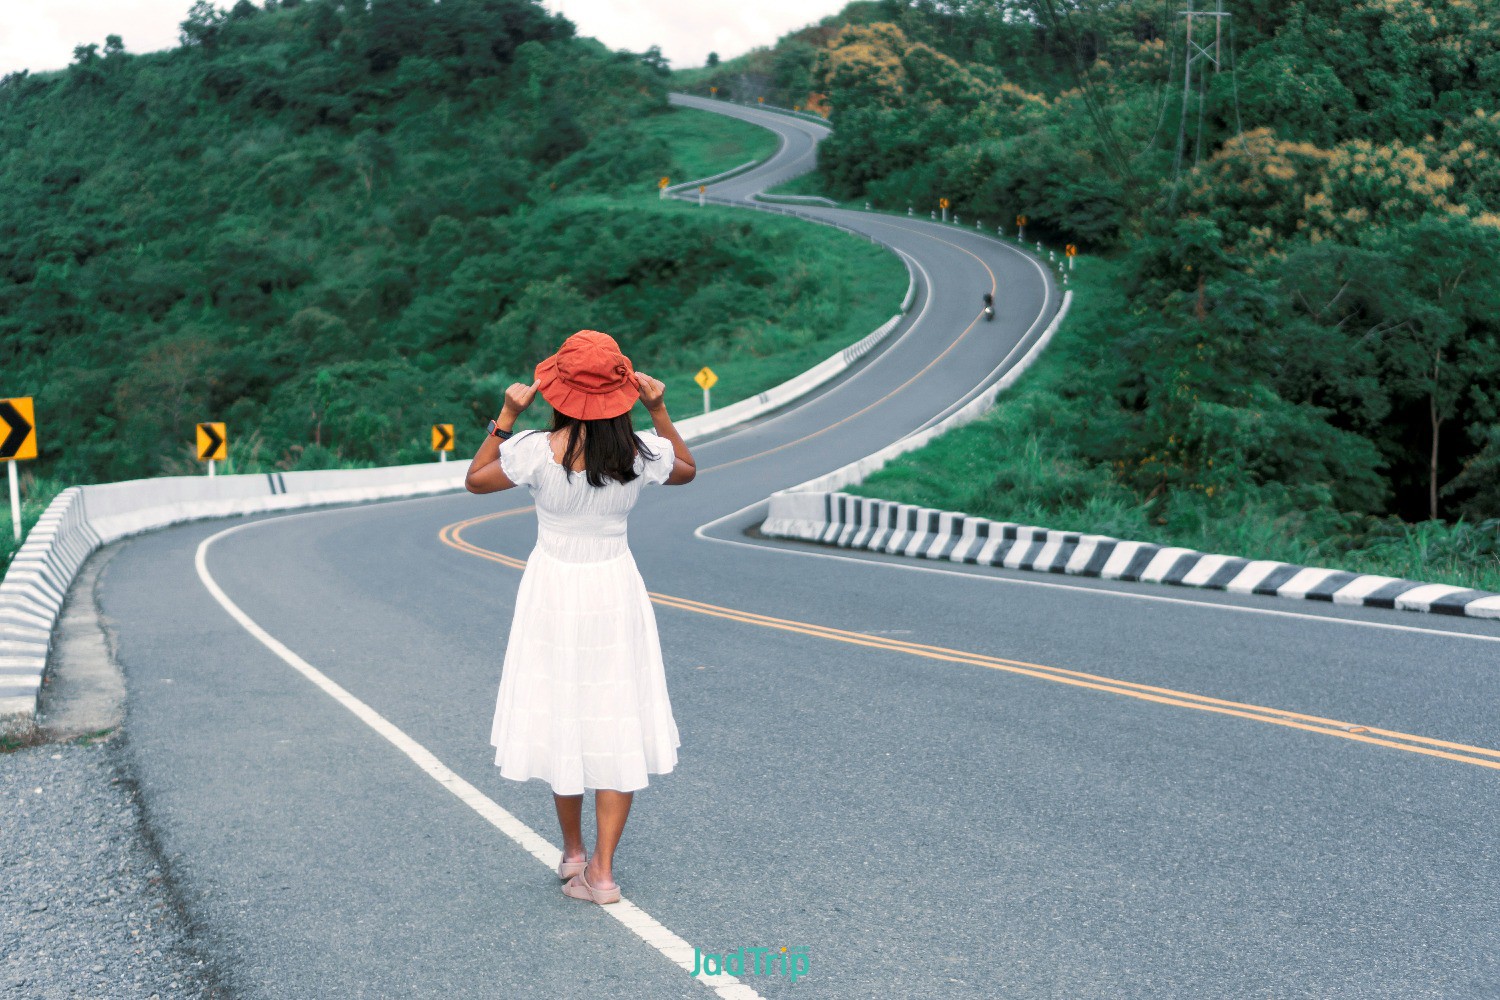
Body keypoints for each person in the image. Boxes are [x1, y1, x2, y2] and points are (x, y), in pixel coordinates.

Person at [464, 329, 696, 906]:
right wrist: (660, 408)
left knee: (561, 713)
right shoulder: (641, 453)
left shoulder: (536, 451)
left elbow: (475, 480)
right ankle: (604, 872)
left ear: (556, 391)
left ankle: (571, 851)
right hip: (614, 585)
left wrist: (505, 415)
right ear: (622, 392)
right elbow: (687, 468)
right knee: (614, 716)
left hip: (553, 589)